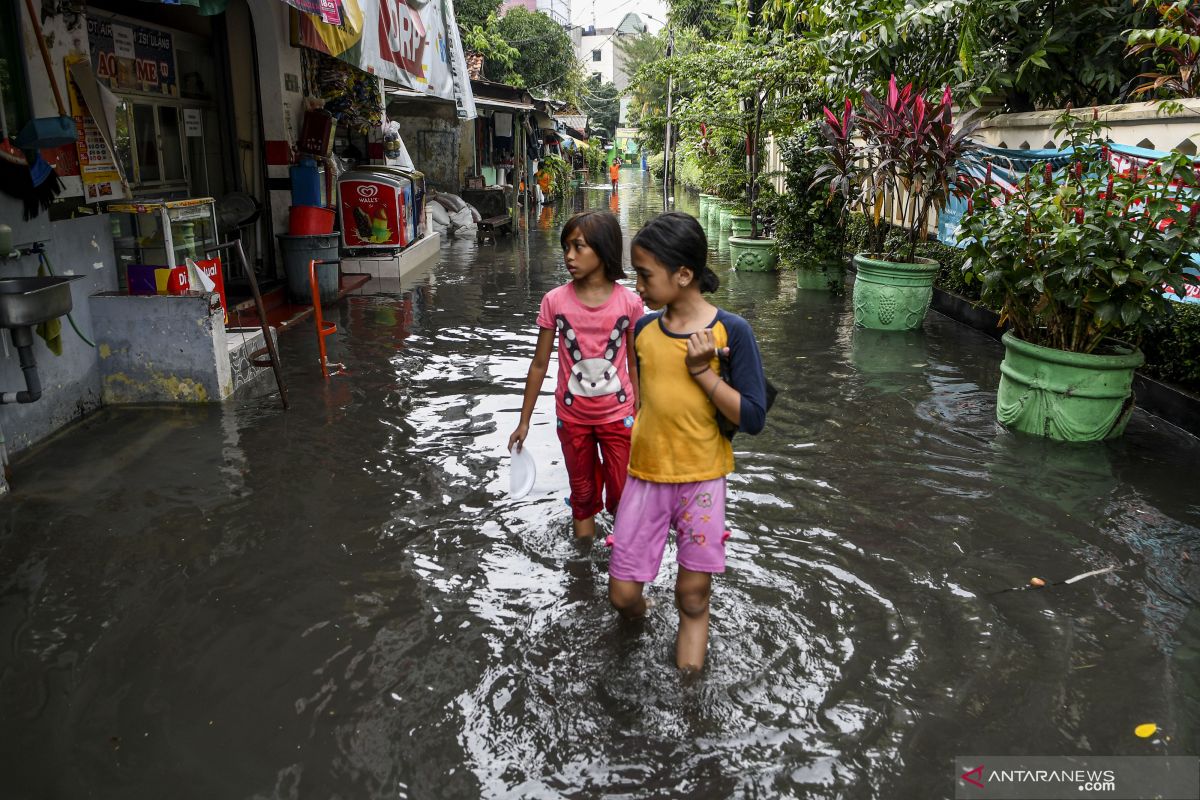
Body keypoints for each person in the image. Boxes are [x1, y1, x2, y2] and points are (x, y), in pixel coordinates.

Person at [607, 211, 768, 671]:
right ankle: (642, 620)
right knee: (622, 594)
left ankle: (689, 692)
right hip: (646, 476)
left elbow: (753, 417)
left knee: (693, 596)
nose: (637, 286)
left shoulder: (731, 333)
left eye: (644, 275)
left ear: (683, 274)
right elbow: (644, 400)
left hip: (702, 480)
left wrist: (703, 374)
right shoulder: (643, 331)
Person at [508, 210, 644, 540]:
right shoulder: (555, 302)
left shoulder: (630, 304)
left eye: (578, 247)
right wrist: (524, 421)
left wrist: (643, 413)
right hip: (572, 419)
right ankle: (583, 566)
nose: (569, 256)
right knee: (582, 498)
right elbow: (539, 365)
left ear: (603, 250)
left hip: (620, 418)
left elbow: (637, 363)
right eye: (566, 247)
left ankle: (621, 569)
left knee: (624, 497)